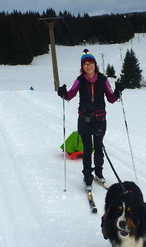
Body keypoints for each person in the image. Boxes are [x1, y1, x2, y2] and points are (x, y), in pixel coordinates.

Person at [57, 49, 124, 192]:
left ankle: (99, 173)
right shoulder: (79, 80)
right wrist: (62, 93)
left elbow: (111, 98)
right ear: (83, 66)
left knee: (98, 147)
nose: (88, 66)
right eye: (85, 64)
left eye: (91, 63)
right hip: (84, 119)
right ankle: (87, 177)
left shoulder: (103, 79)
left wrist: (118, 91)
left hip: (100, 119)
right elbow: (70, 95)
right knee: (87, 150)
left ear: (95, 64)